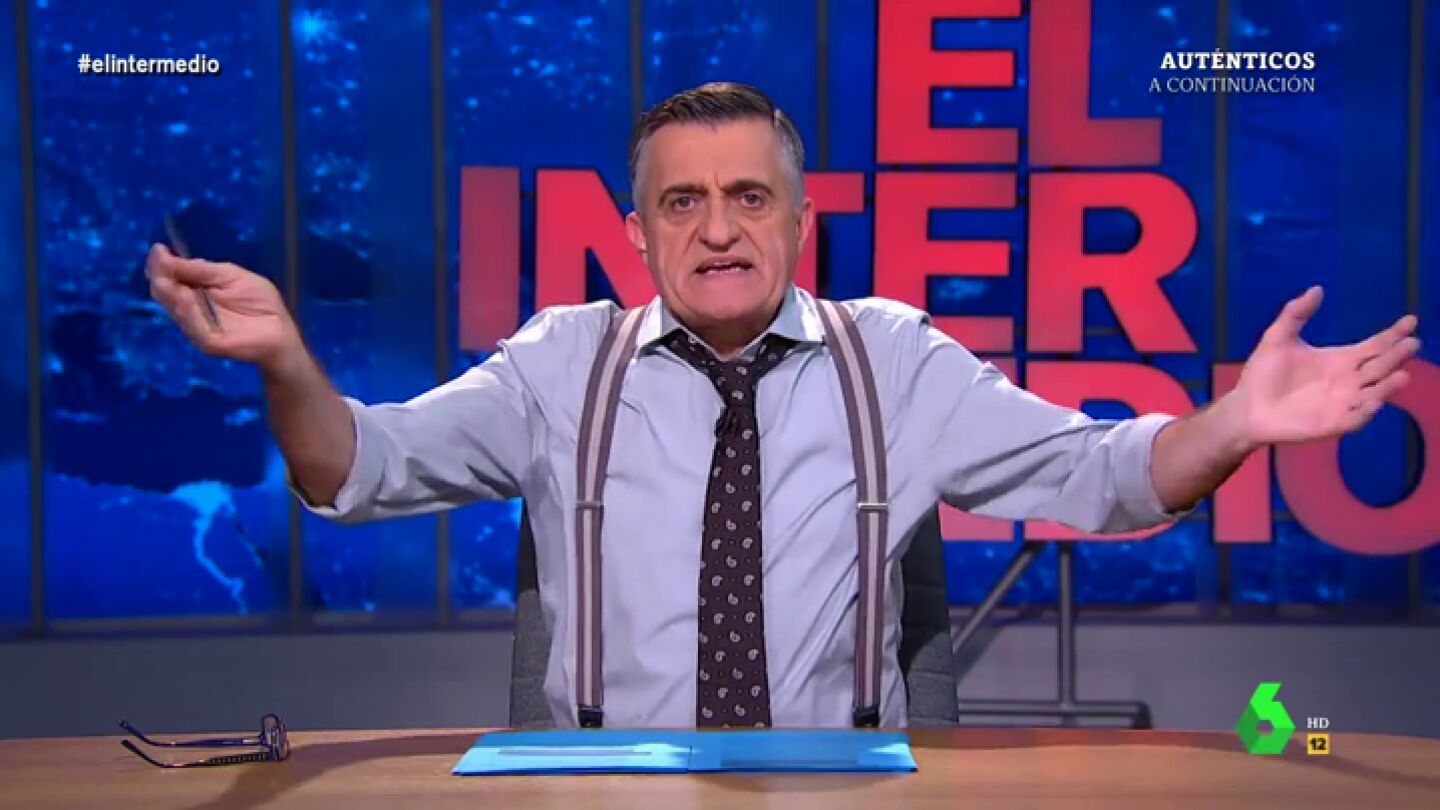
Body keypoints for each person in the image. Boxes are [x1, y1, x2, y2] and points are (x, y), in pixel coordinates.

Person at [146, 82, 1419, 730]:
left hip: (846, 790)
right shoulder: (558, 363)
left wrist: (1236, 422)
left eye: (749, 198)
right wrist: (288, 364)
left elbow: (1106, 475)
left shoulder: (895, 359)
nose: (718, 230)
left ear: (801, 220)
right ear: (637, 231)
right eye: (683, 203)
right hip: (603, 793)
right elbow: (355, 470)